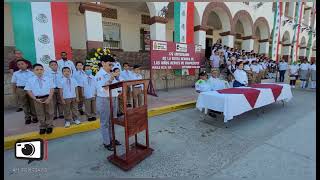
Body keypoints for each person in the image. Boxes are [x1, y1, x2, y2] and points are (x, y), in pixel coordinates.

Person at [95, 55, 121, 151]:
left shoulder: (111, 73)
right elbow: (104, 88)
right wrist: (111, 78)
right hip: (104, 100)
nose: (111, 67)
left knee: (112, 121)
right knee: (105, 122)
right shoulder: (99, 75)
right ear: (103, 63)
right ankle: (107, 142)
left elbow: (116, 86)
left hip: (113, 98)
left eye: (112, 65)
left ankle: (112, 139)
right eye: (110, 64)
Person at [25, 64, 54, 134]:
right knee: (40, 113)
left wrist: (49, 98)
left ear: (43, 70)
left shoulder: (48, 78)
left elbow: (52, 89)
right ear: (33, 71)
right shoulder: (30, 80)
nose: (39, 71)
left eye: (41, 69)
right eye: (37, 70)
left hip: (47, 97)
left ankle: (49, 126)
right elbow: (28, 90)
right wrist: (35, 99)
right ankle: (42, 127)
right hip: (37, 99)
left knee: (49, 112)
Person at [11, 59, 37, 124]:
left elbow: (34, 82)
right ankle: (27, 118)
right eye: (18, 65)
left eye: (22, 64)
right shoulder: (15, 73)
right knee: (24, 104)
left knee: (32, 104)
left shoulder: (32, 73)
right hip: (21, 89)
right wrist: (14, 92)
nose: (20, 66)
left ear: (26, 64)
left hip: (30, 90)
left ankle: (34, 117)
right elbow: (14, 83)